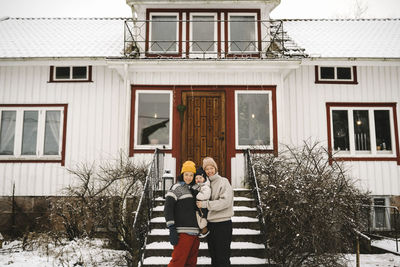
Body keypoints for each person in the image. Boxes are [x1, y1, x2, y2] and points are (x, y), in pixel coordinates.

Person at [196, 157, 234, 267]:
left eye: (211, 168)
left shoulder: (224, 181)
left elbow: (225, 202)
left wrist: (206, 204)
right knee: (214, 257)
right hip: (210, 225)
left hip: (223, 224)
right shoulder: (205, 184)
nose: (209, 171)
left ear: (215, 168)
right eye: (207, 169)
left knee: (223, 258)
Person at [164, 160, 200, 267]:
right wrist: (171, 227)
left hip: (196, 233)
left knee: (191, 263)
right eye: (186, 174)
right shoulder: (176, 188)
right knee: (177, 262)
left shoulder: (196, 189)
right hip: (183, 232)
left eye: (191, 175)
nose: (188, 177)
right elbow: (168, 208)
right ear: (182, 174)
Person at [191, 166, 211, 238]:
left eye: (200, 178)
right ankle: (201, 229)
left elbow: (206, 195)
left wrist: (197, 194)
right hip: (198, 206)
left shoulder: (206, 187)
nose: (198, 180)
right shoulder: (197, 186)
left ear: (204, 178)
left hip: (203, 206)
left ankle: (205, 230)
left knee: (202, 220)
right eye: (196, 178)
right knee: (198, 218)